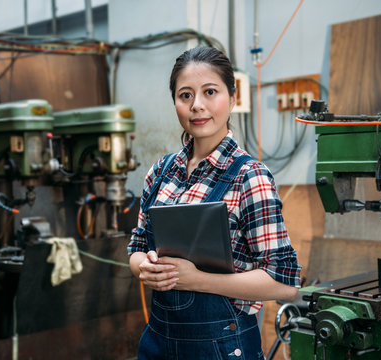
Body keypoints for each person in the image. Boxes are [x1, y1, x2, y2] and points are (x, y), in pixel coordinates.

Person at [127, 46, 301, 359]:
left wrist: (198, 280)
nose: (197, 106)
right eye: (185, 95)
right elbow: (136, 249)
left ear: (232, 98)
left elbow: (283, 282)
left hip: (221, 346)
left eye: (210, 91)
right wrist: (146, 269)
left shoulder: (249, 176)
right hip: (158, 341)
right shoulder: (160, 171)